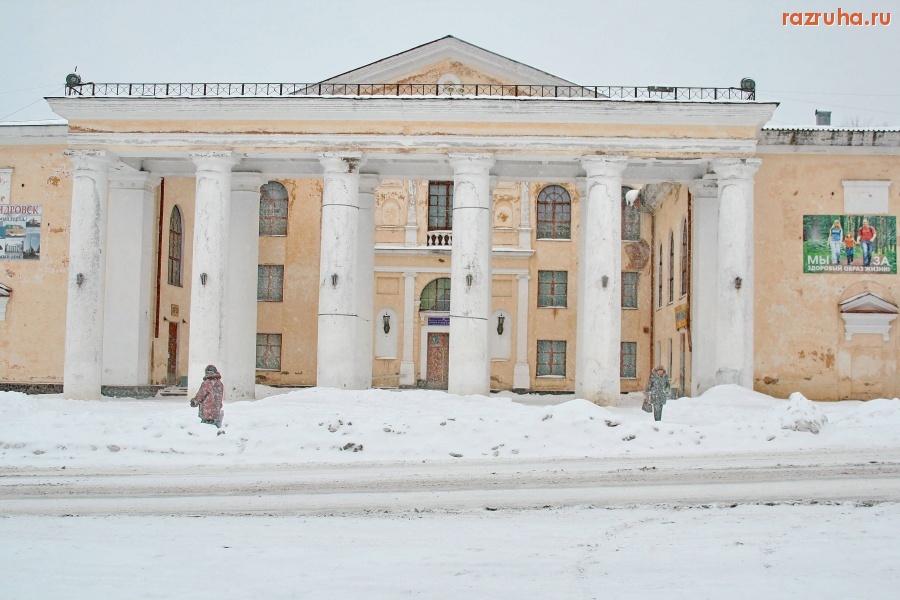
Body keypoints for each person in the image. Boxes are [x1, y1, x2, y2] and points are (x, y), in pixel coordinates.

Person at [190, 364, 225, 433]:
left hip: (207, 410)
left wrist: (194, 402)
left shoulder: (207, 383)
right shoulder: (220, 383)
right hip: (216, 410)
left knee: (205, 430)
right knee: (214, 429)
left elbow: (200, 395)